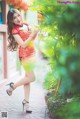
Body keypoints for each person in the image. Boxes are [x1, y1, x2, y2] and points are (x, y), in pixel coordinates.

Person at [6, 8, 39, 113]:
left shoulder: (26, 24)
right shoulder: (14, 31)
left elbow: (32, 39)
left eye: (18, 15)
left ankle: (26, 103)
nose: (17, 19)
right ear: (11, 20)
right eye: (14, 18)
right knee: (32, 78)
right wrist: (32, 34)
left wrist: (36, 33)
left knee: (27, 79)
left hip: (33, 53)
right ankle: (13, 86)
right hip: (25, 56)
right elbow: (23, 44)